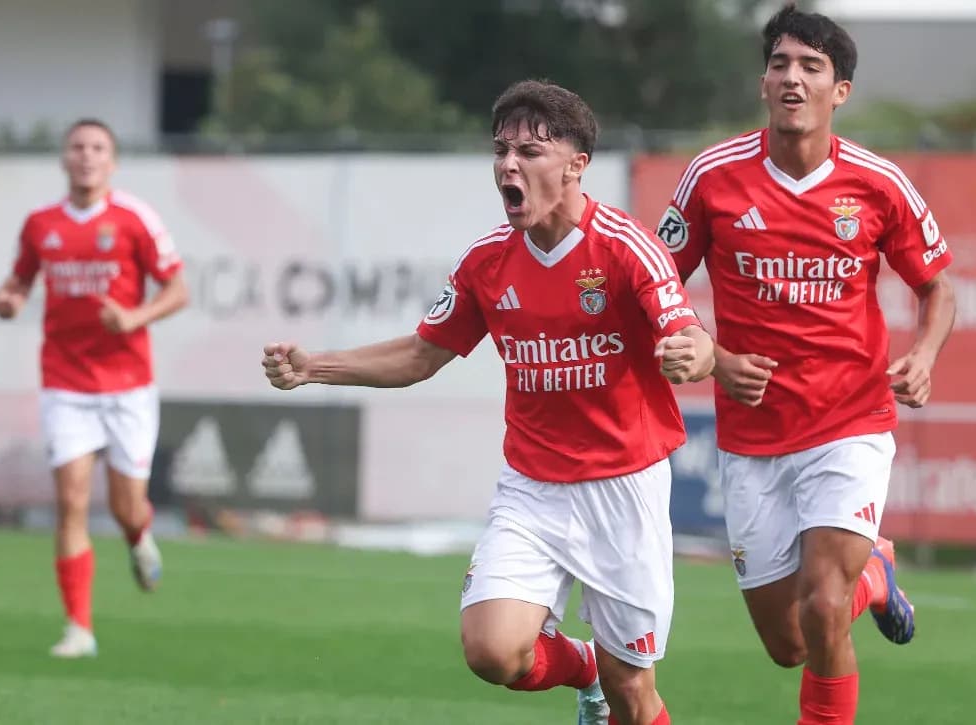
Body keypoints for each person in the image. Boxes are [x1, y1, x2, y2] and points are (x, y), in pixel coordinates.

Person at [262, 80, 713, 725]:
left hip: (624, 487)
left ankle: (603, 670)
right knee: (492, 651)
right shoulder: (487, 262)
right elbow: (422, 355)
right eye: (501, 150)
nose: (508, 164)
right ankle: (582, 666)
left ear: (575, 165)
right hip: (533, 487)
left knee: (633, 690)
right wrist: (314, 368)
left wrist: (691, 352)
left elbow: (686, 333)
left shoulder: (625, 247)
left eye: (530, 151)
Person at [655, 6, 957, 724]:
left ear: (839, 91)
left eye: (811, 67)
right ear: (764, 82)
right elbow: (655, 284)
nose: (793, 77)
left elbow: (938, 286)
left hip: (849, 421)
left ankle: (856, 582)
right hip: (752, 438)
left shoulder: (879, 183)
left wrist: (924, 352)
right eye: (781, 63)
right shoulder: (712, 176)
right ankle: (877, 575)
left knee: (824, 605)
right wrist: (715, 357)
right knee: (790, 641)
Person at [0, 118, 188, 658]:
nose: (86, 156)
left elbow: (178, 288)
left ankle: (137, 535)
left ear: (113, 162)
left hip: (127, 384)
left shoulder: (134, 219)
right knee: (71, 501)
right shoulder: (41, 224)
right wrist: (6, 301)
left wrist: (136, 317)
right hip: (65, 380)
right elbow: (18, 282)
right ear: (64, 158)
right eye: (77, 147)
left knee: (127, 507)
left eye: (97, 148)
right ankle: (79, 627)